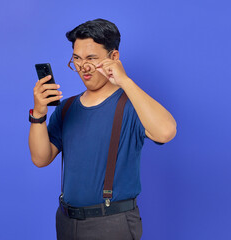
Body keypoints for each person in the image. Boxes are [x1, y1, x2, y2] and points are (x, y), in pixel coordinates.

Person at [28, 18, 177, 240]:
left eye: (91, 59)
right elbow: (40, 158)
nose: (83, 68)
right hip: (67, 221)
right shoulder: (67, 108)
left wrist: (124, 80)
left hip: (112, 223)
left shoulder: (132, 105)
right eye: (77, 59)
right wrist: (39, 114)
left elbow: (166, 131)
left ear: (113, 57)